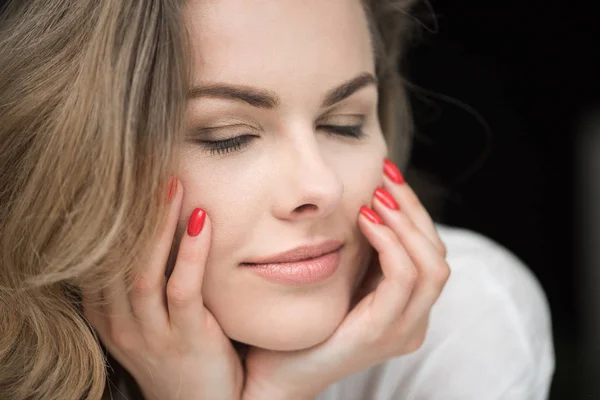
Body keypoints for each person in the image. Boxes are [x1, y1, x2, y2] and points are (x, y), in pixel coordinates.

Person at [0, 0, 554, 399]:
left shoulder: (467, 316)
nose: (320, 187)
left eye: (345, 123)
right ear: (76, 159)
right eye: (229, 136)